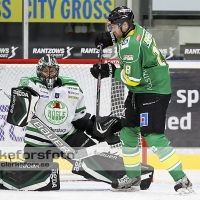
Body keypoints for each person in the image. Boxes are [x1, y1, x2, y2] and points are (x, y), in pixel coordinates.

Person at [5, 54, 154, 191]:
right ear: (39, 72)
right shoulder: (31, 83)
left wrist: (95, 128)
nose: (49, 74)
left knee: (93, 162)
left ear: (57, 71)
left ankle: (136, 174)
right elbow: (21, 96)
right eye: (45, 71)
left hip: (68, 137)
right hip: (37, 142)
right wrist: (22, 99)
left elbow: (78, 118)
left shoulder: (71, 87)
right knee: (33, 180)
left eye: (52, 71)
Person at [90, 6, 195, 194]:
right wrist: (112, 38)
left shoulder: (132, 45)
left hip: (153, 90)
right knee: (128, 132)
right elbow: (133, 75)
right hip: (139, 90)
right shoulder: (131, 29)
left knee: (153, 136)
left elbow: (132, 78)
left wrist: (111, 72)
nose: (111, 30)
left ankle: (182, 179)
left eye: (113, 27)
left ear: (124, 25)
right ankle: (133, 176)